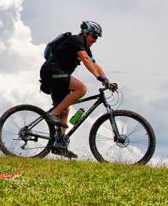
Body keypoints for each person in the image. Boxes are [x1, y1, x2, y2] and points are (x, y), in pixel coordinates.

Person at [40, 21, 116, 158]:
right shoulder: (76, 40)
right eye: (94, 36)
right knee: (81, 89)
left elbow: (94, 64)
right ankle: (52, 114)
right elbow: (86, 60)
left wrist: (106, 81)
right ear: (85, 33)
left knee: (65, 109)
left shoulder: (85, 47)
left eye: (97, 38)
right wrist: (99, 78)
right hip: (52, 72)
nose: (95, 40)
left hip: (58, 74)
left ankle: (60, 145)